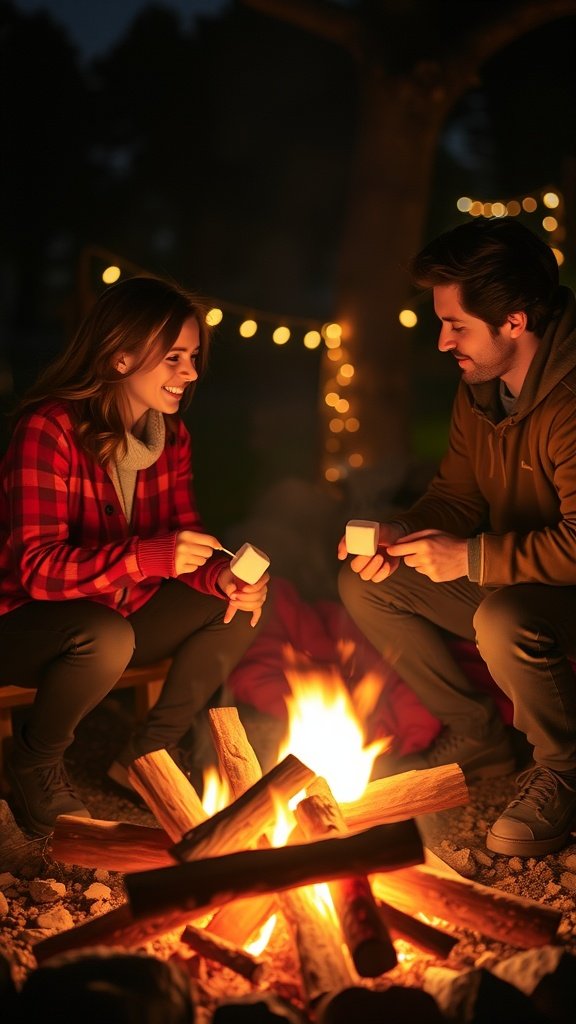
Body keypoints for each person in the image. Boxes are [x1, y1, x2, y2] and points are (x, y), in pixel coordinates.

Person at [338, 217, 576, 857]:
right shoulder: (480, 388)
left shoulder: (571, 402)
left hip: (555, 592)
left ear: (515, 322)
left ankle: (564, 768)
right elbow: (457, 497)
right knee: (370, 586)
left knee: (503, 616)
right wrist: (403, 533)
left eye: (457, 325)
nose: (443, 342)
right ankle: (478, 735)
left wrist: (469, 557)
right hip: (518, 579)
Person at [0, 275, 269, 837]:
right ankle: (33, 761)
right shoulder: (48, 429)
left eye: (193, 357)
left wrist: (222, 575)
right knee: (106, 635)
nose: (191, 372)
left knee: (238, 605)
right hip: (27, 624)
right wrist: (147, 558)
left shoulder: (170, 435)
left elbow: (184, 537)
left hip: (120, 613)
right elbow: (37, 569)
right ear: (121, 357)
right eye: (174, 357)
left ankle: (148, 758)